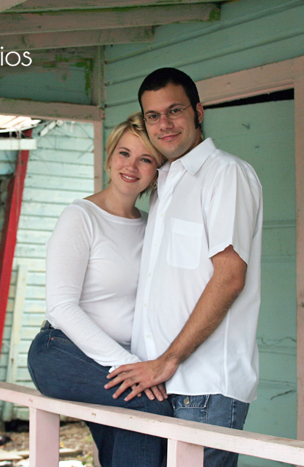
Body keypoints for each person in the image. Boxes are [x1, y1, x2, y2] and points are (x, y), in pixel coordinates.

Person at [105, 68, 263, 467]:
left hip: (204, 387)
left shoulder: (225, 174)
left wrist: (168, 360)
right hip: (159, 386)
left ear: (198, 112)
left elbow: (230, 277)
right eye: (153, 116)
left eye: (174, 110)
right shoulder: (165, 183)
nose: (165, 124)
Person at [27, 112, 172, 467]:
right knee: (148, 404)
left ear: (156, 171)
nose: (131, 166)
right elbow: (61, 306)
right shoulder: (81, 217)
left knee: (126, 434)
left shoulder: (151, 227)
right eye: (124, 153)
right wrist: (129, 365)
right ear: (109, 157)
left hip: (119, 358)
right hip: (62, 350)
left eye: (145, 159)